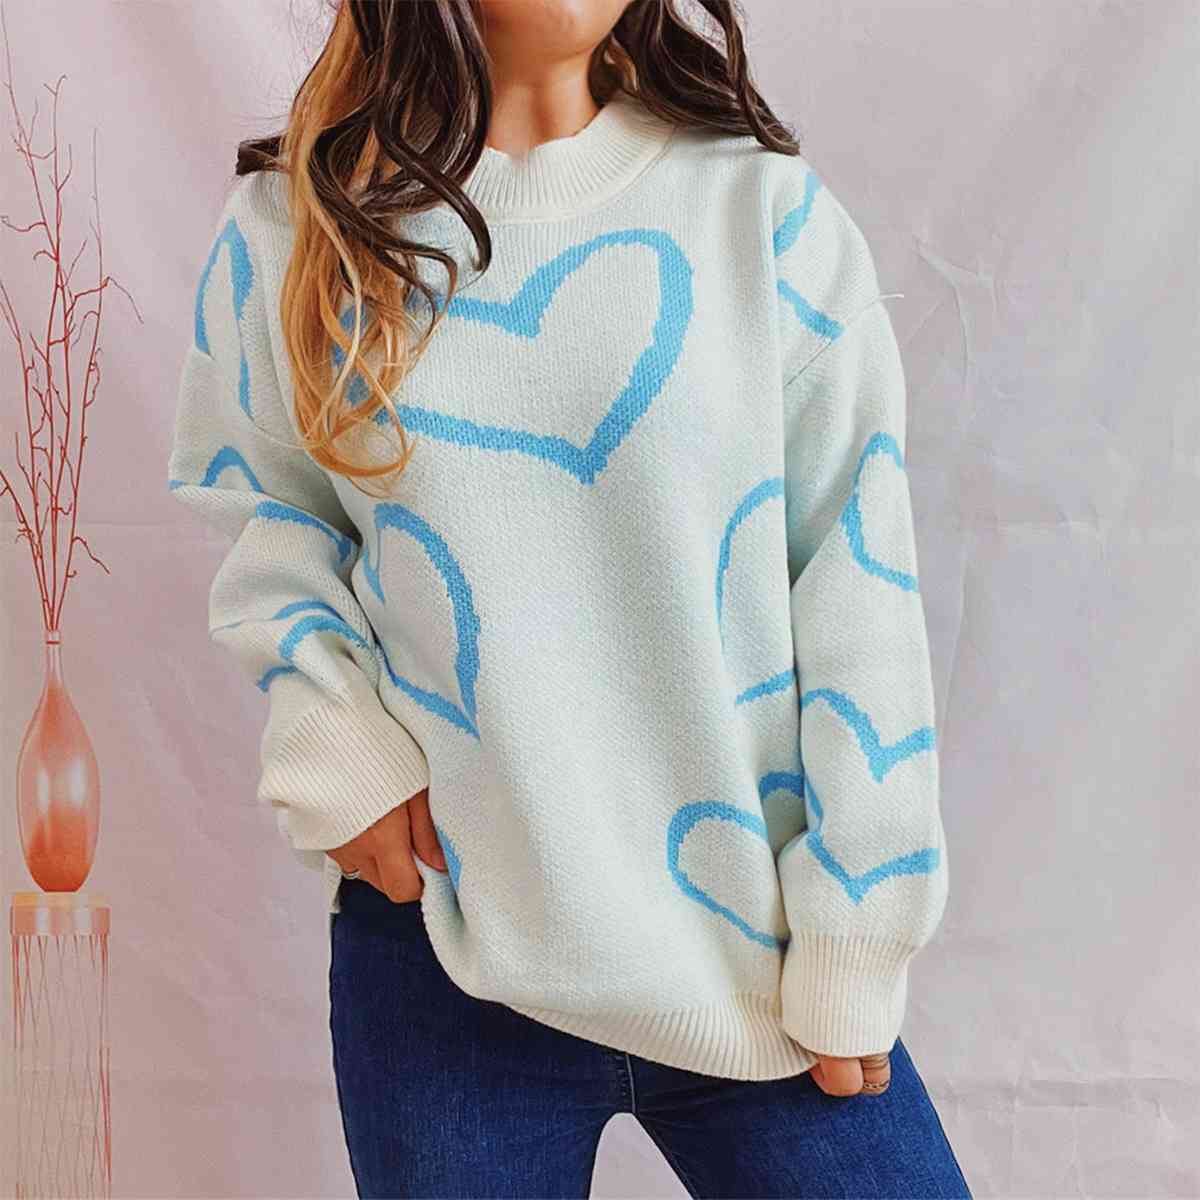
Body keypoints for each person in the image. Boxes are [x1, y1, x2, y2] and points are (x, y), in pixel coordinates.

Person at [167, 1, 972, 1196]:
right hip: (448, 950)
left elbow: (857, 582)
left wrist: (859, 923)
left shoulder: (761, 214)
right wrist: (335, 734)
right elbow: (266, 511)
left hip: (755, 945)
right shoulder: (301, 225)